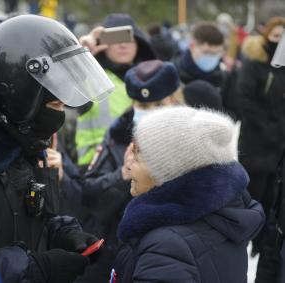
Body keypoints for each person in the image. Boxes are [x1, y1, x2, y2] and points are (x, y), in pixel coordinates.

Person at [0, 15, 110, 282]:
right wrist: (36, 268)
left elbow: (29, 220)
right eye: (56, 105)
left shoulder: (21, 144)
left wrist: (62, 233)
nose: (60, 114)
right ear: (21, 96)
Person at [112, 106, 265, 283]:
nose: (128, 165)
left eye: (137, 157)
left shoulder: (166, 248)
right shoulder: (218, 218)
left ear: (168, 172)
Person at [76, 59, 182, 283]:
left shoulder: (192, 140)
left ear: (174, 100)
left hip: (171, 253)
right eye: (143, 106)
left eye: (159, 105)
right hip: (118, 249)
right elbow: (90, 193)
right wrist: (122, 175)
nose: (150, 113)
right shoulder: (117, 137)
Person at [237, 16, 285, 283]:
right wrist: (266, 128)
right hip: (256, 142)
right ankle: (248, 237)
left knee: (272, 196)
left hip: (279, 142)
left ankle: (262, 243)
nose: (279, 41)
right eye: (276, 35)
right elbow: (245, 98)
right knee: (253, 192)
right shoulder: (255, 63)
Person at [75, 13, 156, 168]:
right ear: (102, 44)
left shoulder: (152, 80)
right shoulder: (88, 77)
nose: (122, 45)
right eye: (115, 39)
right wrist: (81, 57)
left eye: (128, 38)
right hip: (95, 169)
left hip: (143, 168)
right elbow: (61, 95)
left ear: (138, 44)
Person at [173, 22, 225, 88]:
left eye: (216, 53)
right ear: (192, 46)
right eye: (206, 52)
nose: (211, 57)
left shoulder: (221, 79)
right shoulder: (173, 75)